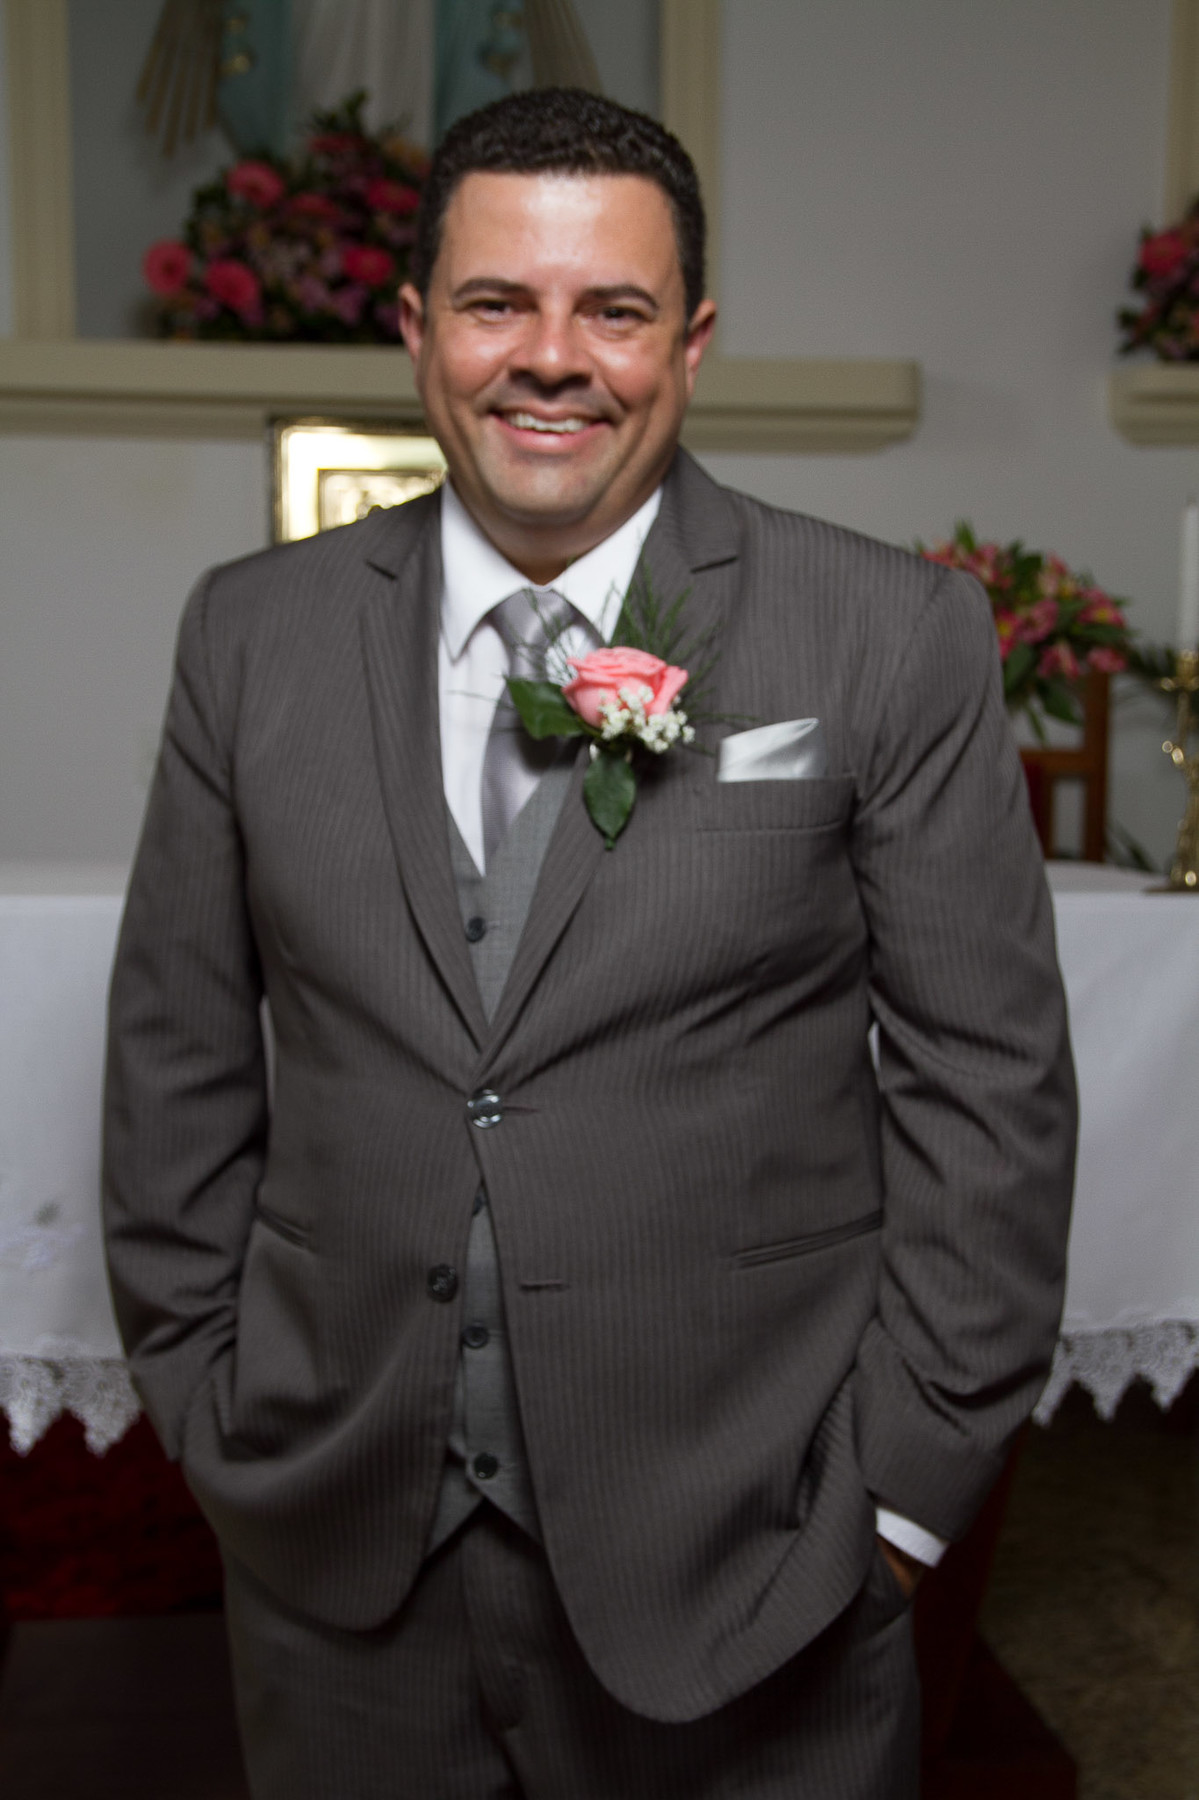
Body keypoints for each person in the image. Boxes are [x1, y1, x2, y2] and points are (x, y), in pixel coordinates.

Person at [103, 88, 1076, 1800]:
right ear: (418, 329)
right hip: (340, 1577)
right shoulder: (250, 636)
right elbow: (174, 1065)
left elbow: (991, 1093)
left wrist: (894, 1510)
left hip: (759, 1570)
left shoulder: (888, 631)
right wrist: (207, 1410)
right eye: (498, 302)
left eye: (612, 310)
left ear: (688, 345)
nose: (552, 359)